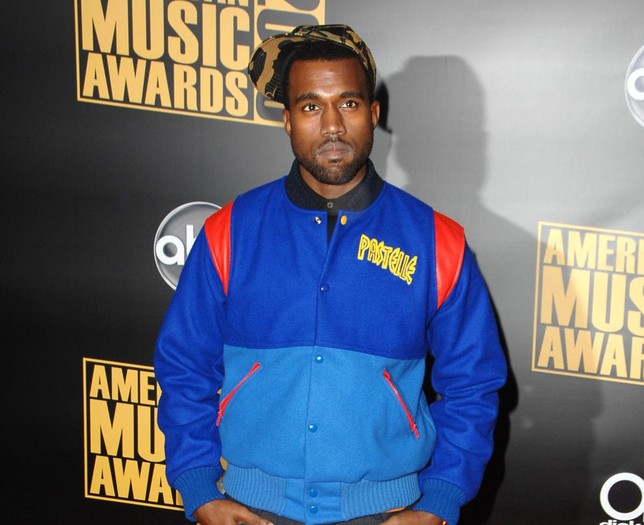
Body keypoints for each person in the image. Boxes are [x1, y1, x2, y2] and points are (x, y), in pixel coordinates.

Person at [154, 24, 506, 525]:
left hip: (389, 511)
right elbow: (184, 365)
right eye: (311, 107)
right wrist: (197, 485)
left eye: (349, 103)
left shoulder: (437, 241)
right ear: (287, 121)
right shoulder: (229, 231)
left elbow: (473, 385)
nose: (333, 125)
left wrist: (441, 500)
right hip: (249, 509)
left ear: (374, 114)